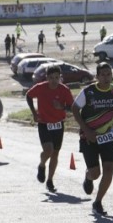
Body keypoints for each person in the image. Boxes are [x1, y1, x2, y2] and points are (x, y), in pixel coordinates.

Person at [71, 62, 113, 216]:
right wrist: (86, 130)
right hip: (88, 137)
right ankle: (88, 177)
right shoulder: (88, 92)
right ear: (97, 76)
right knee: (95, 173)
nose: (106, 77)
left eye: (108, 74)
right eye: (102, 75)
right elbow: (75, 109)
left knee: (109, 169)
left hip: (108, 136)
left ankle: (98, 202)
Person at [26, 65, 75, 193]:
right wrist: (34, 113)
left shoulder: (64, 90)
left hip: (58, 124)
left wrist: (61, 107)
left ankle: (50, 180)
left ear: (60, 78)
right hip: (44, 123)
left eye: (56, 78)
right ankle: (42, 165)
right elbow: (28, 96)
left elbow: (72, 107)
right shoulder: (40, 87)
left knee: (55, 153)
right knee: (48, 150)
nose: (54, 80)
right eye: (51, 78)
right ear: (47, 78)